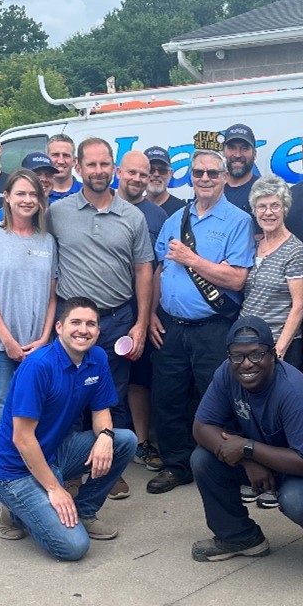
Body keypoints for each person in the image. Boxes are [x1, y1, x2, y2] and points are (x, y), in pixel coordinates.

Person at [189, 316, 303, 574]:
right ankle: (239, 537)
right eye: (238, 356)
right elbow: (201, 427)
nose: (247, 364)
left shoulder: (294, 393)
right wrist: (247, 458)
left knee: (297, 499)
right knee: (203, 459)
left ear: (274, 355)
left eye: (257, 355)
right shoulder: (226, 373)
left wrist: (248, 448)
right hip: (269, 449)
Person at [0, 297, 137, 559]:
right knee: (73, 547)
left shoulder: (97, 358)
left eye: (91, 324)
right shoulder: (38, 366)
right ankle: (15, 509)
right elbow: (22, 439)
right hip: (14, 470)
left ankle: (85, 510)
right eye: (75, 322)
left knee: (125, 440)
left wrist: (106, 436)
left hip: (54, 453)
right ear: (59, 327)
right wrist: (55, 488)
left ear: (98, 331)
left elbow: (102, 412)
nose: (83, 330)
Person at [49, 137, 154, 498]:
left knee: (112, 395)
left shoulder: (133, 216)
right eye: (90, 164)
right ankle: (73, 470)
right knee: (67, 397)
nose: (98, 171)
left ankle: (111, 470)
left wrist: (140, 322)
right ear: (78, 168)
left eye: (104, 164)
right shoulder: (58, 212)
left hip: (116, 321)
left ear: (114, 168)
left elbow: (144, 270)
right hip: (72, 324)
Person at [146, 149, 255, 494]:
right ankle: (176, 465)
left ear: (224, 177)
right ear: (190, 177)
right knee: (168, 397)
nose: (205, 179)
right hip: (171, 325)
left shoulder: (239, 221)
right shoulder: (174, 219)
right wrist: (149, 314)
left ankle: (220, 468)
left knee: (215, 398)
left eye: (212, 173)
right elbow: (159, 269)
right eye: (198, 173)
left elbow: (237, 279)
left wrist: (192, 258)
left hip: (213, 326)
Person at [0, 169, 57, 510]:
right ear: (6, 197)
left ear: (40, 200)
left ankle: (27, 474)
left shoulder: (47, 241)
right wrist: (7, 340)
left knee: (35, 414)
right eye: (20, 194)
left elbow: (52, 296)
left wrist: (45, 337)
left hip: (37, 345)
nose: (26, 200)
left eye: (33, 195)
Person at [116, 149, 169, 473]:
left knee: (139, 378)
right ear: (119, 172)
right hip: (110, 307)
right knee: (108, 380)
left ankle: (139, 441)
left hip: (144, 308)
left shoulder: (157, 216)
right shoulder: (105, 207)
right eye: (131, 172)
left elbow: (157, 268)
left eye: (142, 174)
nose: (137, 179)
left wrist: (148, 313)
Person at [241, 174, 303, 368]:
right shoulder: (252, 244)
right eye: (262, 206)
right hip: (247, 339)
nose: (268, 212)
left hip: (278, 345)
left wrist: (278, 350)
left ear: (285, 209)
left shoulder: (294, 249)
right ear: (254, 211)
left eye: (275, 206)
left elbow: (300, 304)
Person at [221, 122, 260, 213]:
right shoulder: (212, 190)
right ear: (223, 152)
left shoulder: (264, 191)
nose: (237, 154)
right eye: (231, 148)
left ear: (254, 154)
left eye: (244, 148)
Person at [145, 146, 186, 215]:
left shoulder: (183, 210)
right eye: (151, 170)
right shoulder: (133, 209)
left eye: (162, 170)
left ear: (170, 174)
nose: (156, 174)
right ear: (143, 173)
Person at [45, 133, 82, 203]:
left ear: (74, 161)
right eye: (55, 155)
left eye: (66, 155)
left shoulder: (86, 193)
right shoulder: (38, 195)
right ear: (47, 159)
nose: (61, 161)